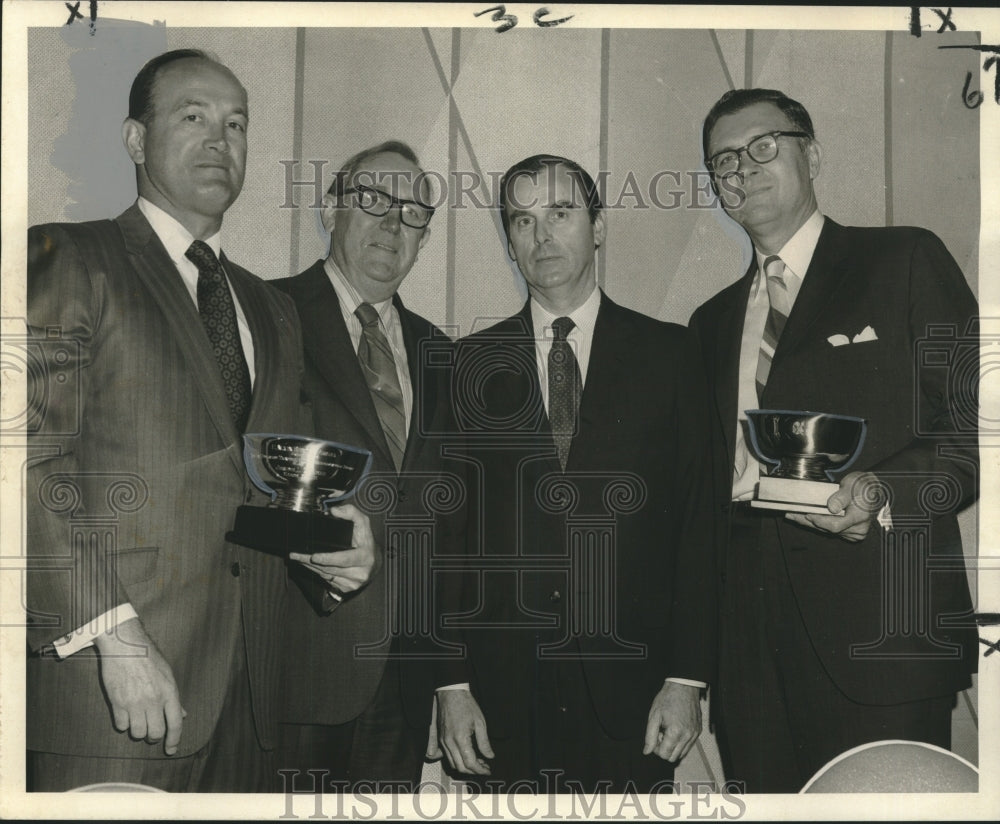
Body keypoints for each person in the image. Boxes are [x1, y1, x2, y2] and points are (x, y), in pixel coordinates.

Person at [25, 49, 375, 793]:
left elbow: (261, 501)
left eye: (238, 124)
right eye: (194, 117)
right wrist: (112, 635)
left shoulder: (271, 310)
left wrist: (336, 547)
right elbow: (22, 464)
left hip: (249, 717)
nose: (222, 140)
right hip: (107, 701)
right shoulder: (67, 257)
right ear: (134, 140)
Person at [688, 88, 979, 793]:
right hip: (749, 666)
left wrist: (879, 490)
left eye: (764, 146)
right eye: (724, 160)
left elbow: (978, 431)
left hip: (884, 640)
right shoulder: (710, 323)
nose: (742, 168)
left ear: (811, 154)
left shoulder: (904, 260)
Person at [435, 154, 716, 794]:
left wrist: (686, 678)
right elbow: (443, 538)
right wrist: (450, 684)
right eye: (523, 220)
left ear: (598, 226)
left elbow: (700, 525)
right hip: (502, 700)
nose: (542, 236)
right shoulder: (465, 365)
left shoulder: (671, 356)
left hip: (636, 696)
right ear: (509, 240)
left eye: (560, 213)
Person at [272, 141, 467, 791]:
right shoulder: (263, 315)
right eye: (373, 200)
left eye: (411, 212)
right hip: (287, 671)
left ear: (425, 238)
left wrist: (447, 678)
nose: (392, 223)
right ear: (332, 210)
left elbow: (448, 533)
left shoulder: (442, 354)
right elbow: (228, 488)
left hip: (402, 688)